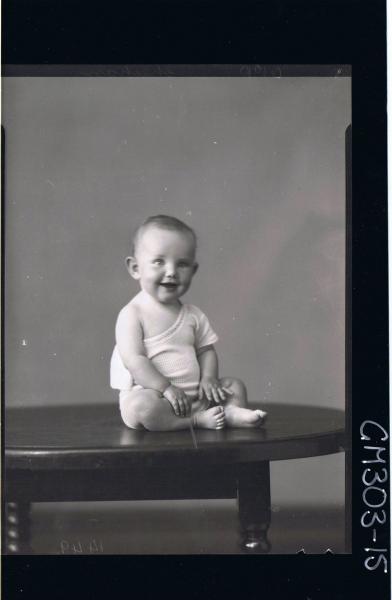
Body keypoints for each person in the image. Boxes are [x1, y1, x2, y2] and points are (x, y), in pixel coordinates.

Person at [110, 215, 267, 431]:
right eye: (159, 262)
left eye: (182, 264)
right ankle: (193, 422)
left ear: (193, 271)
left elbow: (206, 351)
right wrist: (166, 389)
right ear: (135, 268)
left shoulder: (192, 314)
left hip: (195, 396)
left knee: (234, 386)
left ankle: (228, 412)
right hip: (157, 397)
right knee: (140, 408)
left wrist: (209, 379)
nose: (172, 271)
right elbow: (135, 361)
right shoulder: (132, 314)